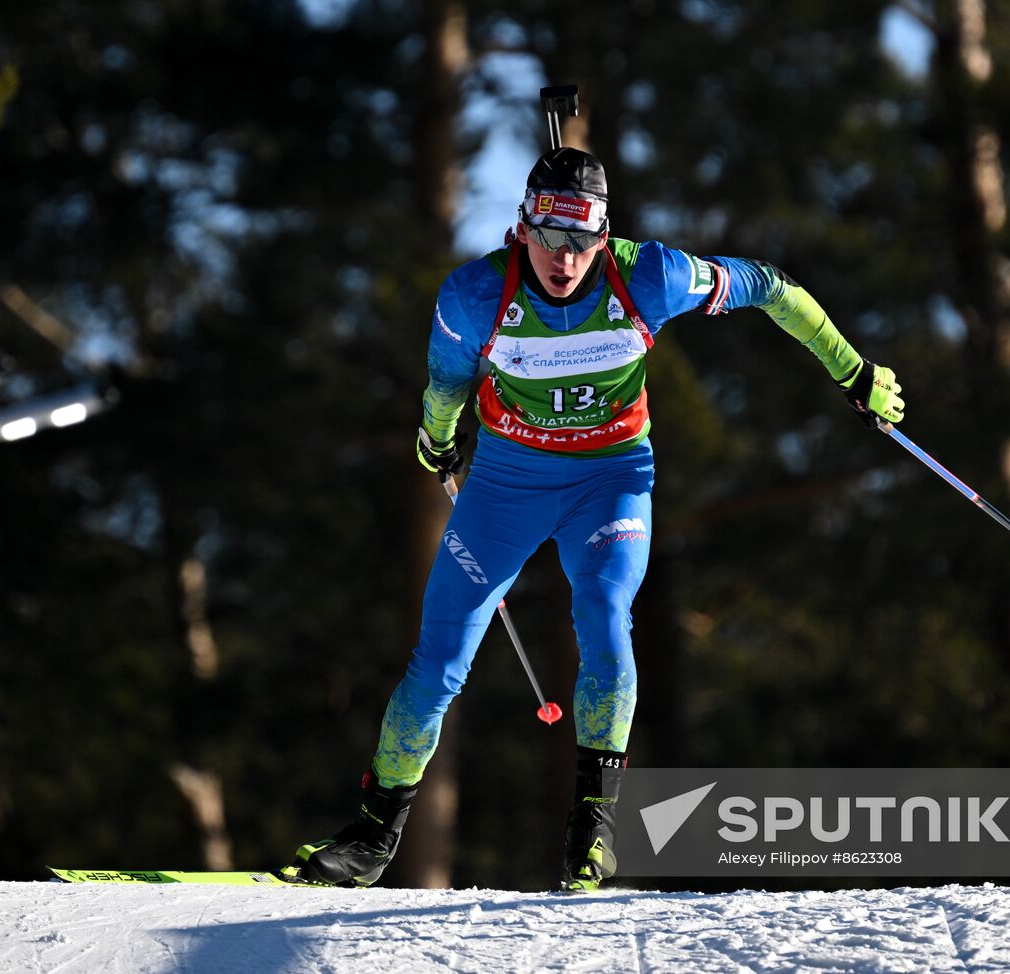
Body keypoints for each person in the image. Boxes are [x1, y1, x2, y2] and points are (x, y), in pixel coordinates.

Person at [282, 148, 904, 892]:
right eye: (550, 235)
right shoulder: (476, 295)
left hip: (610, 481)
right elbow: (445, 386)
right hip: (505, 488)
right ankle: (373, 837)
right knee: (438, 663)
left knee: (605, 612)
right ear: (521, 227)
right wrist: (437, 442)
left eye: (583, 239)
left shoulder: (652, 277)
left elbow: (773, 287)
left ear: (606, 236)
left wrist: (853, 369)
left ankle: (593, 828)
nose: (565, 258)